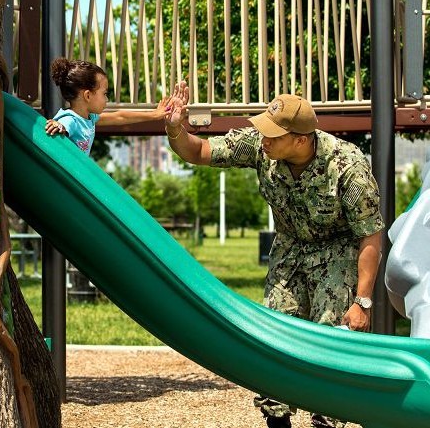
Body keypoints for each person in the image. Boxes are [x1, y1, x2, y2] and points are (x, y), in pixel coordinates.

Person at [164, 90, 384, 428]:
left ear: (299, 141)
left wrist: (362, 301)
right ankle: (276, 420)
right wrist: (176, 129)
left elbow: (370, 234)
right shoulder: (260, 144)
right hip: (290, 248)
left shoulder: (348, 165)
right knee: (277, 338)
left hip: (336, 251)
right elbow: (200, 150)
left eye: (272, 133)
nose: (263, 138)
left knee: (331, 340)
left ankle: (326, 419)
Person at [44, 58, 175, 151]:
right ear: (88, 95)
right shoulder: (71, 120)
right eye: (104, 93)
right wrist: (58, 124)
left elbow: (120, 117)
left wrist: (154, 115)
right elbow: (63, 125)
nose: (106, 99)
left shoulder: (88, 118)